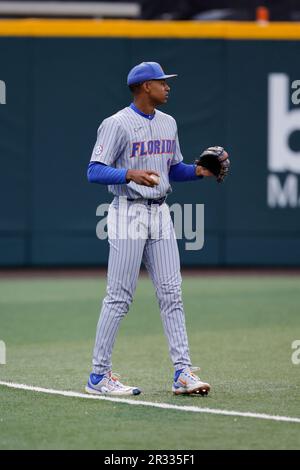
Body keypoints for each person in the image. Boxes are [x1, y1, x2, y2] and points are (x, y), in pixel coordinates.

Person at [85, 61, 226, 396]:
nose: (168, 87)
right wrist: (128, 174)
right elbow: (93, 170)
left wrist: (198, 172)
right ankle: (98, 377)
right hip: (128, 212)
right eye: (162, 82)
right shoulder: (117, 124)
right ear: (145, 86)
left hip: (160, 212)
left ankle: (182, 372)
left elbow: (172, 168)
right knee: (119, 297)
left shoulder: (168, 122)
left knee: (172, 293)